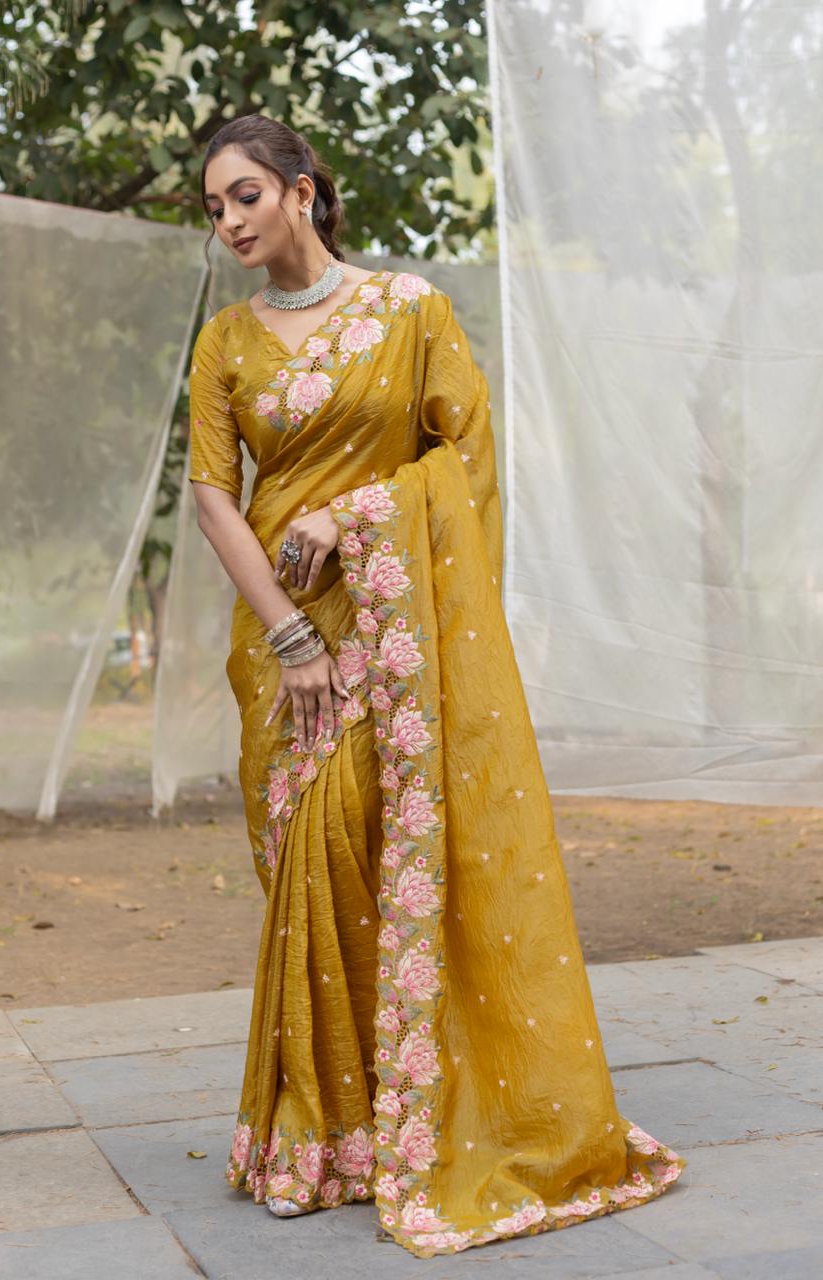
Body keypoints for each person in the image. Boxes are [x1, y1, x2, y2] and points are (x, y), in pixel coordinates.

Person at [188, 112, 686, 1260]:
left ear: (303, 189)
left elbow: (462, 462)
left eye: (244, 195)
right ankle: (327, 1133)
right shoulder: (225, 342)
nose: (229, 221)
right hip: (283, 632)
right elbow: (215, 495)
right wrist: (290, 638)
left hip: (393, 625)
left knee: (371, 848)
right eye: (214, 208)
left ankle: (404, 1119)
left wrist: (354, 514)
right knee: (303, 870)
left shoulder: (410, 312)